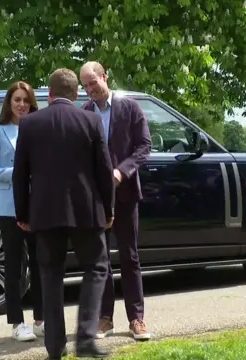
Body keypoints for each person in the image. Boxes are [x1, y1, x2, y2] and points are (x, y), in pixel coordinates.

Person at [12, 68, 115, 359]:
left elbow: (21, 174)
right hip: (87, 210)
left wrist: (23, 213)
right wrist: (108, 209)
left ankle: (55, 348)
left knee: (50, 276)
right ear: (76, 94)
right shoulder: (91, 120)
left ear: (50, 94)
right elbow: (104, 171)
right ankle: (85, 339)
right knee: (96, 268)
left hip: (45, 213)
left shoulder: (30, 124)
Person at [79, 61, 152, 341]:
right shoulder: (84, 112)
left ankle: (137, 319)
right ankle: (105, 319)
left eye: (92, 83)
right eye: (85, 86)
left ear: (104, 77)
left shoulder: (130, 107)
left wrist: (122, 170)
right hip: (96, 197)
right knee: (100, 260)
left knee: (129, 256)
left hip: (125, 194)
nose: (89, 90)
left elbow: (144, 146)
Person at [0, 81, 44, 341]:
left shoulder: (38, 128)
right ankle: (17, 322)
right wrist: (16, 173)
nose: (22, 105)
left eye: (26, 100)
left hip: (38, 205)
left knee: (41, 264)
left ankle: (41, 319)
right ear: (9, 102)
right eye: (17, 100)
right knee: (14, 265)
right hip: (9, 206)